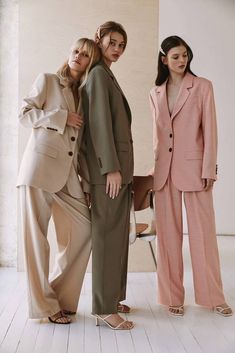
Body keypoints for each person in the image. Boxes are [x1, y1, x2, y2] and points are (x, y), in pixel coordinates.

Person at [17, 38, 100, 324]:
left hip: (68, 174)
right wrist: (61, 116)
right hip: (39, 168)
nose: (78, 56)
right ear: (70, 53)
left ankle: (59, 297)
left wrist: (86, 184)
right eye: (76, 51)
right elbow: (24, 115)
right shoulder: (49, 80)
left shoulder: (85, 93)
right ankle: (46, 307)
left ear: (92, 62)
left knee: (85, 230)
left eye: (86, 55)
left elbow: (78, 147)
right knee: (37, 240)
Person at [149, 35, 233, 317]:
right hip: (164, 173)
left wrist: (209, 168)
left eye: (185, 55)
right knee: (168, 238)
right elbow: (158, 137)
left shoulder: (202, 87)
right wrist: (154, 169)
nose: (182, 60)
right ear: (164, 60)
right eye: (175, 56)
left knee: (203, 235)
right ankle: (173, 297)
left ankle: (213, 297)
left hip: (196, 169)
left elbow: (210, 130)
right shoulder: (156, 92)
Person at [82, 21, 134, 330]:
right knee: (105, 237)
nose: (116, 49)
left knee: (117, 238)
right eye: (112, 42)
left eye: (121, 45)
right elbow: (99, 124)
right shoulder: (99, 75)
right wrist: (110, 168)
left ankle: (112, 297)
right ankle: (103, 308)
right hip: (109, 173)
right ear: (98, 40)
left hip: (118, 171)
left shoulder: (106, 74)